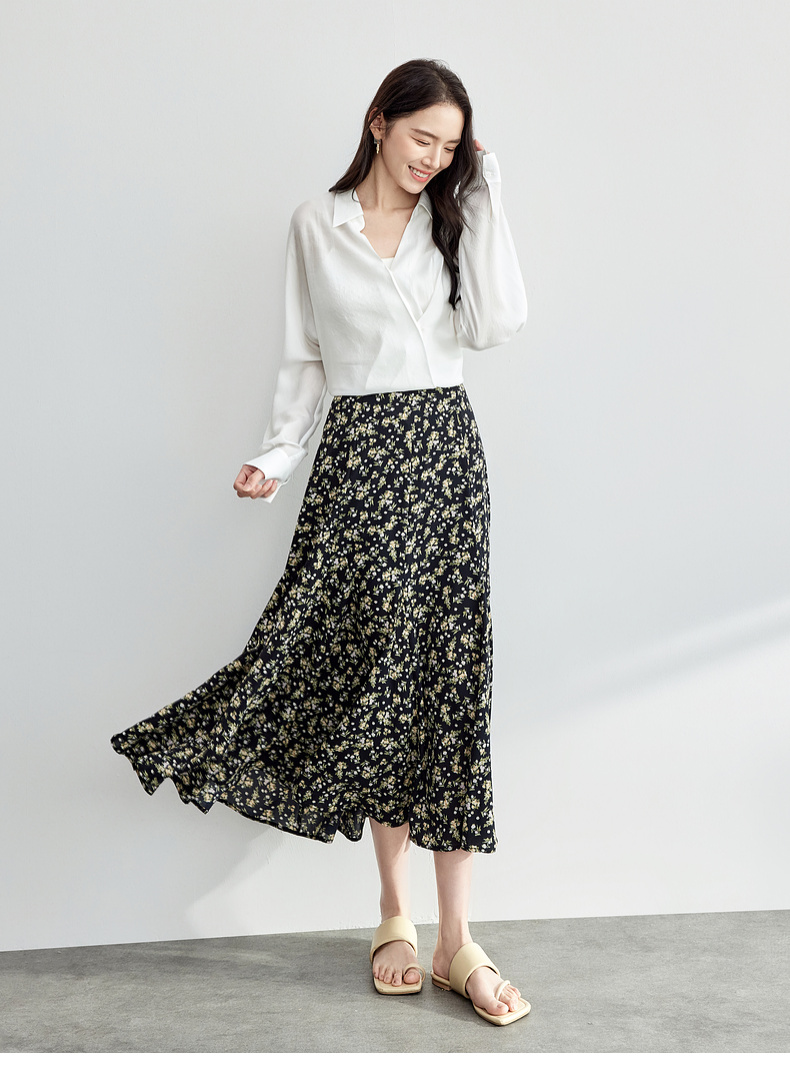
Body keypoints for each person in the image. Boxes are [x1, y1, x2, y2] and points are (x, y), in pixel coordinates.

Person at [111, 58, 529, 1027]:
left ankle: (459, 937)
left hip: (443, 454)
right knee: (374, 674)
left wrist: (487, 193)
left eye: (450, 147)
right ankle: (393, 914)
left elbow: (498, 323)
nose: (433, 159)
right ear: (379, 122)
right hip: (357, 458)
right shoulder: (317, 223)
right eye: (421, 138)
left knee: (447, 679)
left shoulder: (454, 216)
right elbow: (304, 353)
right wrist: (275, 453)